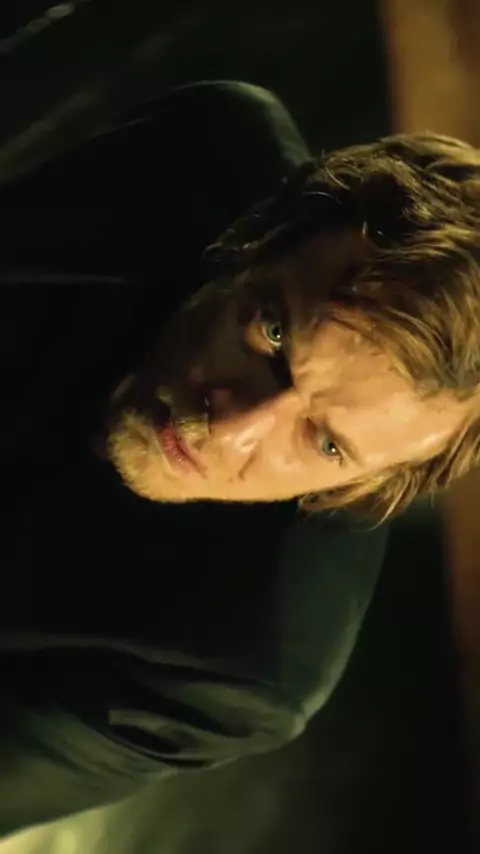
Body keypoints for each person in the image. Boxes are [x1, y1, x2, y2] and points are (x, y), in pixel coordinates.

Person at [0, 79, 478, 839]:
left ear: (371, 486)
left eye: (325, 443)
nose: (233, 428)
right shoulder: (207, 153)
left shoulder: (235, 668)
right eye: (274, 338)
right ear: (259, 237)